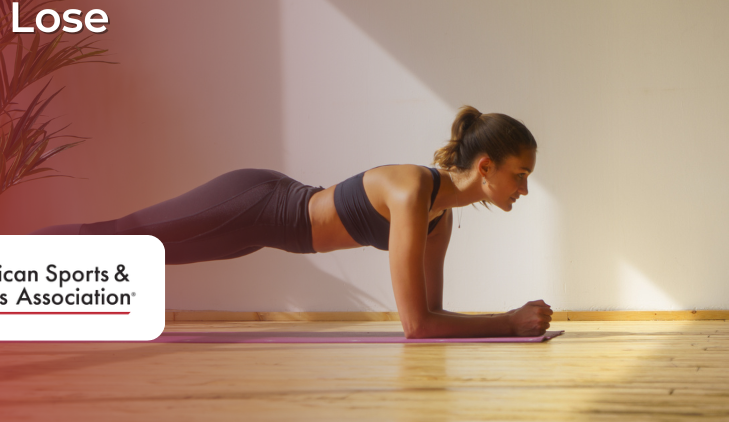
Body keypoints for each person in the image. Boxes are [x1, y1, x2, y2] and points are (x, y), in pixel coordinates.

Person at [33, 105, 553, 338]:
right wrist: (508, 322)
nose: (524, 189)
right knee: (126, 239)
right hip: (254, 203)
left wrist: (507, 326)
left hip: (259, 229)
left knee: (142, 252)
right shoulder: (413, 190)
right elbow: (418, 327)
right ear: (485, 168)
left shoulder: (441, 219)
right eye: (520, 175)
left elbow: (433, 319)